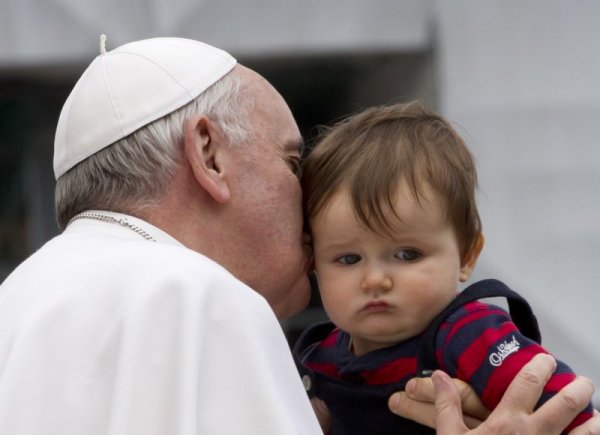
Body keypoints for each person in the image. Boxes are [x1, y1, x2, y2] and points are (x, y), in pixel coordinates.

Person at [0, 36, 596, 435]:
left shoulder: (16, 300)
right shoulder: (201, 297)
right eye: (292, 163)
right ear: (208, 155)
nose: (309, 203)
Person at [293, 102, 596, 434]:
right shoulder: (319, 359)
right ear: (313, 262)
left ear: (466, 256)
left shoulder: (470, 336)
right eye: (349, 259)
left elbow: (572, 415)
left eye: (407, 255)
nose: (375, 280)